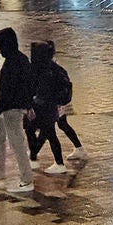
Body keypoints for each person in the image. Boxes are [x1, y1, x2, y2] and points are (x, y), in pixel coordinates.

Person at [0, 28, 36, 192]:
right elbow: (30, 85)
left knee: (17, 144)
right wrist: (28, 105)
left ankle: (27, 180)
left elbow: (6, 94)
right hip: (15, 107)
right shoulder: (22, 59)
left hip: (11, 110)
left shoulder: (11, 64)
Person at [28, 39, 85, 175]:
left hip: (54, 104)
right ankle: (78, 149)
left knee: (49, 129)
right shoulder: (52, 66)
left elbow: (43, 90)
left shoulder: (49, 69)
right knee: (55, 127)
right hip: (57, 103)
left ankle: (37, 157)